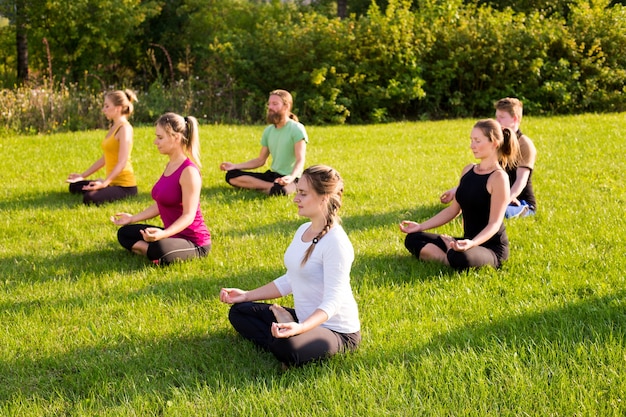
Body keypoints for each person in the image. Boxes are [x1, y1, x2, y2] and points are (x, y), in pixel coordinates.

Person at [219, 165, 361, 368]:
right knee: (239, 312)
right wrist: (246, 295)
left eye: (303, 194)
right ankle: (285, 329)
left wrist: (301, 328)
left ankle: (287, 336)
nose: (295, 198)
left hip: (336, 331)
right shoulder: (304, 229)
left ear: (324, 198)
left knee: (288, 348)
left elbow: (333, 302)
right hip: (303, 319)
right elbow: (291, 279)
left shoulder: (336, 243)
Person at [400, 119, 519, 270]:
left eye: (477, 140)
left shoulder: (499, 178)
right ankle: (449, 255)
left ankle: (450, 255)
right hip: (466, 242)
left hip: (490, 248)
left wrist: (472, 243)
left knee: (460, 257)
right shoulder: (468, 170)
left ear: (494, 143)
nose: (472, 145)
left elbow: (494, 224)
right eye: (471, 140)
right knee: (413, 238)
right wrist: (420, 227)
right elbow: (452, 210)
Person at [111, 113, 211, 266]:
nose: (155, 142)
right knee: (124, 233)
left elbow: (189, 216)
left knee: (158, 248)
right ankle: (153, 251)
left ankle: (154, 252)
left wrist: (163, 234)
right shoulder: (170, 165)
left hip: (194, 242)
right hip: (172, 234)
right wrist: (132, 218)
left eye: (160, 137)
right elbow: (161, 204)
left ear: (176, 138)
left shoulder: (189, 172)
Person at [440, 97, 537, 218]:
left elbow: (521, 181)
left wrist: (507, 199)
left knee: (498, 212)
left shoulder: (524, 144)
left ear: (515, 119)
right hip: (497, 195)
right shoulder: (495, 141)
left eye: (502, 117)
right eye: (496, 117)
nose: (497, 121)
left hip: (520, 201)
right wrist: (458, 191)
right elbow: (482, 174)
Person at [219, 89, 308, 196]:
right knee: (231, 175)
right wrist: (235, 166)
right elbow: (260, 160)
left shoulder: (296, 129)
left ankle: (275, 187)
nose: (270, 107)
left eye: (275, 104)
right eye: (269, 104)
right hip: (272, 176)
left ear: (286, 106)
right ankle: (271, 187)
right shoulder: (269, 130)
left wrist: (291, 177)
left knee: (280, 191)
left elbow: (300, 159)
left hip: (291, 178)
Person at [67, 89, 139, 205]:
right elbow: (105, 158)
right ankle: (102, 186)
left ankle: (104, 187)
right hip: (111, 182)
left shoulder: (125, 129)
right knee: (74, 185)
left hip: (124, 186)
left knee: (89, 198)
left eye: (107, 106)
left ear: (118, 108)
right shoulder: (115, 127)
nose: (103, 110)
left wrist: (104, 183)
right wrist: (82, 175)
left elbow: (122, 162)